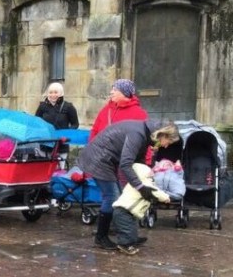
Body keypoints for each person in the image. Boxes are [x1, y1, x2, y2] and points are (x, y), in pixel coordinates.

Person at [77, 120, 180, 251]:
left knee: (122, 198)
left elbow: (138, 161)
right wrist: (140, 187)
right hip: (98, 160)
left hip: (106, 160)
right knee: (112, 197)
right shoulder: (138, 135)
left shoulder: (145, 135)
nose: (166, 146)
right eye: (168, 142)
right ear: (163, 134)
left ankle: (128, 236)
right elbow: (126, 164)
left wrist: (147, 178)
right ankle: (101, 237)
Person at [112, 162, 170, 255]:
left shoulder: (133, 183)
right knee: (127, 229)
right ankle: (125, 245)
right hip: (124, 211)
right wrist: (166, 198)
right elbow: (157, 192)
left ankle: (132, 239)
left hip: (124, 211)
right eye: (149, 171)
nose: (152, 173)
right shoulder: (145, 184)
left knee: (131, 228)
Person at [34, 82, 79, 168]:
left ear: (60, 93)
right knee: (47, 168)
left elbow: (75, 124)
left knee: (60, 169)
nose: (53, 95)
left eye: (55, 92)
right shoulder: (42, 106)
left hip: (61, 143)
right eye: (50, 92)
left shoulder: (68, 107)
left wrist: (66, 134)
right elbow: (37, 122)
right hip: (46, 142)